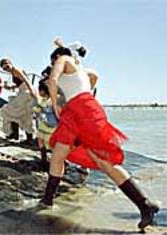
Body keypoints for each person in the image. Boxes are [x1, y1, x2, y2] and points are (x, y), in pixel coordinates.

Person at [39, 47, 159, 230]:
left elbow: (53, 80)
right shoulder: (82, 71)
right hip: (85, 109)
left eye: (52, 61)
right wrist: (86, 92)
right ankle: (47, 200)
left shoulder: (62, 58)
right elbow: (93, 77)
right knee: (62, 155)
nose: (53, 65)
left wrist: (55, 106)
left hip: (78, 111)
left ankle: (145, 205)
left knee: (100, 160)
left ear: (56, 57)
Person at [0, 58, 36, 146]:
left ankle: (15, 134)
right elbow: (20, 83)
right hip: (23, 92)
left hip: (26, 93)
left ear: (10, 64)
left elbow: (26, 81)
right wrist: (11, 87)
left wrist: (32, 91)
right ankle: (25, 137)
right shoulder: (13, 72)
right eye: (4, 69)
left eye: (7, 66)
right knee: (24, 114)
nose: (6, 69)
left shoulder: (16, 70)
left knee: (8, 110)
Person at [32, 81, 63, 169]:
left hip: (52, 126)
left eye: (40, 90)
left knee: (50, 143)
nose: (39, 92)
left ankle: (57, 161)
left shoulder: (55, 101)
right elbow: (38, 108)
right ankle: (44, 159)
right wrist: (36, 111)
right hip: (43, 125)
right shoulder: (43, 100)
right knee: (41, 141)